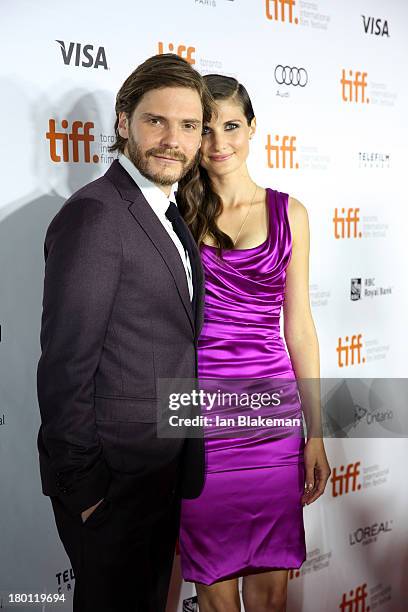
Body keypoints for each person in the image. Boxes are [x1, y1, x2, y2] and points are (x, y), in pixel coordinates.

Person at [36, 54, 213, 612]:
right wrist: (87, 492)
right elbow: (66, 366)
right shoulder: (96, 215)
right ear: (122, 122)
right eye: (155, 120)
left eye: (188, 126)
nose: (173, 140)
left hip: (159, 469)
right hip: (112, 485)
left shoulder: (168, 213)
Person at [176, 74, 331, 611]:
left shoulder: (291, 213)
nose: (220, 142)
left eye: (232, 126)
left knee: (270, 594)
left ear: (253, 128)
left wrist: (316, 432)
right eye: (206, 128)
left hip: (273, 425)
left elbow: (301, 329)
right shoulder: (175, 216)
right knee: (214, 592)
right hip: (203, 426)